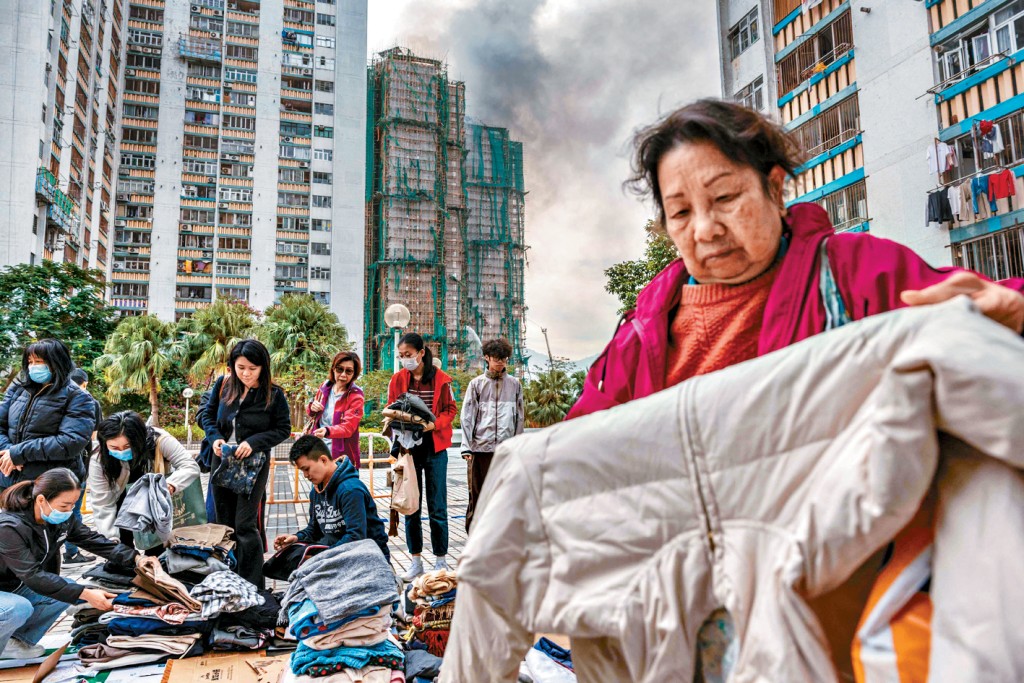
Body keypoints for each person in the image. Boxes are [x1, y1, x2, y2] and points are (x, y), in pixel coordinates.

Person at [567, 99, 1024, 680]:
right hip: (688, 613)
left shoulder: (856, 273)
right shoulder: (645, 330)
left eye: (724, 198)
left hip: (845, 592)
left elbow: (986, 309)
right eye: (680, 212)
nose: (705, 229)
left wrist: (1012, 313)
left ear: (775, 187)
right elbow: (579, 454)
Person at [0, 468, 152, 659]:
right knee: (18, 608)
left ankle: (14, 642)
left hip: (14, 587)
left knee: (66, 589)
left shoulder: (60, 520)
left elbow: (93, 541)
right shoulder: (9, 527)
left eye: (73, 504)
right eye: (64, 505)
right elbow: (33, 576)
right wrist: (86, 594)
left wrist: (137, 559)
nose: (69, 511)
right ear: (41, 500)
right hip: (10, 592)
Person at [200, 339, 291, 590]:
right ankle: (228, 580)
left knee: (245, 524)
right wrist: (215, 438)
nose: (246, 374)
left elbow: (283, 429)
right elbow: (207, 416)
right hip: (222, 460)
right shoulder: (223, 385)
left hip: (254, 465)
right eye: (240, 368)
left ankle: (253, 584)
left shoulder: (274, 394)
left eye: (252, 368)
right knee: (224, 524)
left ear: (263, 367)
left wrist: (254, 442)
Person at [387, 332, 457, 580]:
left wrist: (434, 424)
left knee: (437, 506)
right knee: (411, 505)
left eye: (408, 354)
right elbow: (391, 408)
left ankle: (440, 560)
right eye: (401, 355)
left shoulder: (441, 379)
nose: (404, 359)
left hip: (435, 448)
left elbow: (451, 409)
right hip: (408, 449)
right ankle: (415, 560)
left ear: (421, 353)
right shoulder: (397, 379)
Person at [88, 411, 201, 548]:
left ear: (139, 440)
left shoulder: (159, 440)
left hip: (155, 503)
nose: (121, 451)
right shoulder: (99, 458)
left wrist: (169, 485)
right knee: (123, 548)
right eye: (114, 447)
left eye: (127, 446)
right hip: (121, 505)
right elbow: (102, 503)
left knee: (157, 547)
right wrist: (111, 540)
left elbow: (190, 466)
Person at [273, 435, 389, 561]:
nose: (305, 475)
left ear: (323, 460)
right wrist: (296, 538)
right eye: (302, 471)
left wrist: (317, 558)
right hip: (335, 554)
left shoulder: (350, 490)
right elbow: (314, 530)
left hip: (368, 559)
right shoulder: (316, 491)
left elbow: (355, 538)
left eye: (307, 469)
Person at [0, 339, 94, 491]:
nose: (33, 367)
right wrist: (9, 452)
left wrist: (19, 453)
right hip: (9, 478)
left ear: (57, 362)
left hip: (51, 484)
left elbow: (70, 442)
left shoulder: (77, 397)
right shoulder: (18, 389)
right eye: (30, 362)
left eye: (38, 362)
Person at [459, 338, 524, 532]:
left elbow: (519, 418)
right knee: (477, 496)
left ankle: (500, 536)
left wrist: (518, 446)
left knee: (504, 495)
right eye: (496, 359)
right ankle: (474, 536)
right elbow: (467, 416)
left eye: (504, 359)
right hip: (480, 450)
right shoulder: (476, 384)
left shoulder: (515, 385)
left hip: (505, 450)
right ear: (487, 358)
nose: (500, 363)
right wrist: (466, 446)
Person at [63, 368, 103, 565]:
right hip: (78, 465)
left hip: (53, 466)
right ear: (85, 383)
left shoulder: (57, 398)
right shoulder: (90, 402)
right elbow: (94, 437)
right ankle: (71, 552)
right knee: (73, 509)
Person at [306, 351, 366, 468]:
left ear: (354, 374)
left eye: (348, 371)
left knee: (341, 481)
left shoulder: (356, 395)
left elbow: (348, 427)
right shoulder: (325, 387)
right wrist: (312, 407)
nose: (343, 375)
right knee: (316, 480)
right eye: (339, 369)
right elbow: (312, 414)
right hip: (318, 452)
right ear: (333, 369)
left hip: (342, 458)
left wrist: (327, 431)